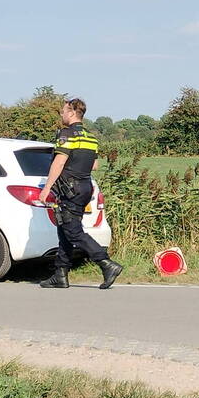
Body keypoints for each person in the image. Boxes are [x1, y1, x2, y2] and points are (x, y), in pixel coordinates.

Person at [38, 98, 123, 289]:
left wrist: (46, 188)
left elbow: (58, 163)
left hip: (70, 189)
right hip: (85, 186)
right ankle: (60, 274)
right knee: (65, 229)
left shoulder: (67, 134)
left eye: (63, 111)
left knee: (74, 232)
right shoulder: (91, 138)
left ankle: (106, 263)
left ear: (72, 112)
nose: (61, 114)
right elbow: (94, 164)